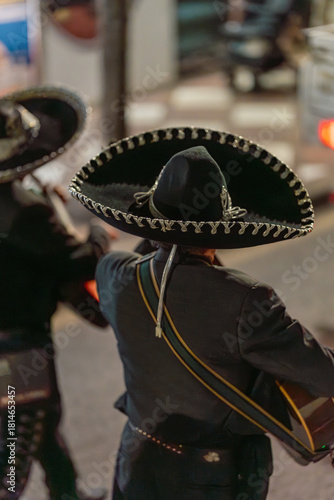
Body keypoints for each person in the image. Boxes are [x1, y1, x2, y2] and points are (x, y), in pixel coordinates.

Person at [68, 127, 334, 499]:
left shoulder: (114, 274)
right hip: (212, 477)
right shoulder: (247, 298)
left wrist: (164, 235)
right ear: (221, 230)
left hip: (137, 459)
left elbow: (151, 263)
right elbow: (324, 375)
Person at [0, 86, 112, 500]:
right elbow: (80, 261)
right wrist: (99, 233)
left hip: (17, 345)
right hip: (17, 346)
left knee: (42, 421)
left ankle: (67, 493)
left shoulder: (25, 205)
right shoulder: (25, 214)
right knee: (13, 448)